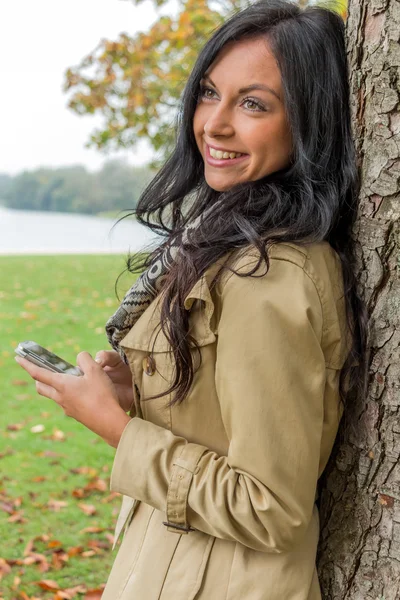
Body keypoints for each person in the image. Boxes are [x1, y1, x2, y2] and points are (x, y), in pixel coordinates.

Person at [15, 1, 368, 598]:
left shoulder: (270, 276)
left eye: (253, 104)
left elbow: (269, 507)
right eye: (209, 94)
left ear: (310, 121)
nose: (215, 124)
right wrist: (143, 390)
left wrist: (116, 429)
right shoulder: (233, 241)